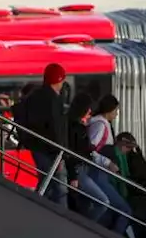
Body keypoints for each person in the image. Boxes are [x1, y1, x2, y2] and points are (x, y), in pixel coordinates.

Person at [17, 62, 69, 206]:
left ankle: (37, 207)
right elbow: (56, 128)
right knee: (60, 187)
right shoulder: (53, 99)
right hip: (51, 151)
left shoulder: (35, 95)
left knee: (46, 182)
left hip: (37, 147)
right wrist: (60, 154)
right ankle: (62, 218)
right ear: (58, 80)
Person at [85, 95, 132, 238]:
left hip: (101, 174)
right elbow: (90, 150)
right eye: (116, 110)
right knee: (124, 209)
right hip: (97, 173)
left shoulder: (102, 124)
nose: (117, 114)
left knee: (110, 209)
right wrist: (108, 163)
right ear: (109, 110)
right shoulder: (100, 126)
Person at [62, 93, 114, 219]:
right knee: (103, 202)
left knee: (84, 206)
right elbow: (71, 152)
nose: (90, 112)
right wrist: (73, 175)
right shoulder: (75, 128)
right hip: (78, 170)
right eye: (88, 109)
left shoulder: (77, 126)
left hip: (83, 169)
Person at [107, 133, 146, 238]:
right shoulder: (136, 158)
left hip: (139, 201)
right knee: (138, 232)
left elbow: (135, 180)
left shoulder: (130, 159)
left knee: (139, 232)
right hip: (142, 201)